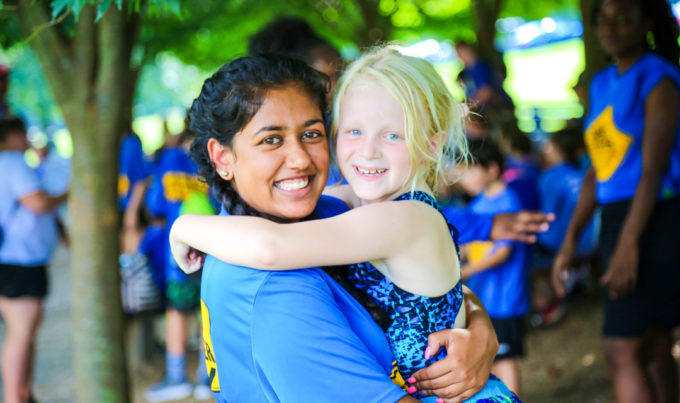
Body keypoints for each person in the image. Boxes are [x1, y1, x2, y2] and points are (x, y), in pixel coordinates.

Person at [170, 49, 520, 402]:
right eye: (354, 131)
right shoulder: (328, 216)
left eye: (393, 135)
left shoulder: (393, 217)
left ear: (430, 144)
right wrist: (477, 323)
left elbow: (270, 246)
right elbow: (269, 246)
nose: (368, 151)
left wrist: (183, 227)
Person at [552, 0, 680, 402]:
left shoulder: (659, 80)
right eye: (603, 19)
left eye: (623, 17)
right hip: (616, 218)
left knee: (621, 349)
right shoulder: (602, 82)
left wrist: (628, 245)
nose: (611, 27)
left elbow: (652, 170)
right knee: (654, 346)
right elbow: (597, 170)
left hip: (655, 216)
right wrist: (571, 237)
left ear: (645, 23)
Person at [0, 116, 67, 403]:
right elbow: (37, 202)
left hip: (20, 260)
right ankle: (17, 397)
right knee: (21, 332)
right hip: (19, 261)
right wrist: (67, 194)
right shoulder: (12, 162)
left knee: (24, 332)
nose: (27, 138)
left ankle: (23, 394)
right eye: (23, 133)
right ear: (12, 136)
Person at [143, 130, 212, 402]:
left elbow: (155, 204)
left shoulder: (171, 158)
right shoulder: (218, 152)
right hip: (219, 246)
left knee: (177, 312)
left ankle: (176, 378)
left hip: (179, 251)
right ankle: (208, 380)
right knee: (209, 310)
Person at [458, 139, 529, 396]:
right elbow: (468, 243)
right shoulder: (478, 204)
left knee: (505, 357)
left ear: (492, 170)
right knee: (491, 356)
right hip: (484, 296)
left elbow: (503, 252)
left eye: (470, 169)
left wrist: (465, 272)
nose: (464, 177)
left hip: (506, 296)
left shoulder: (508, 202)